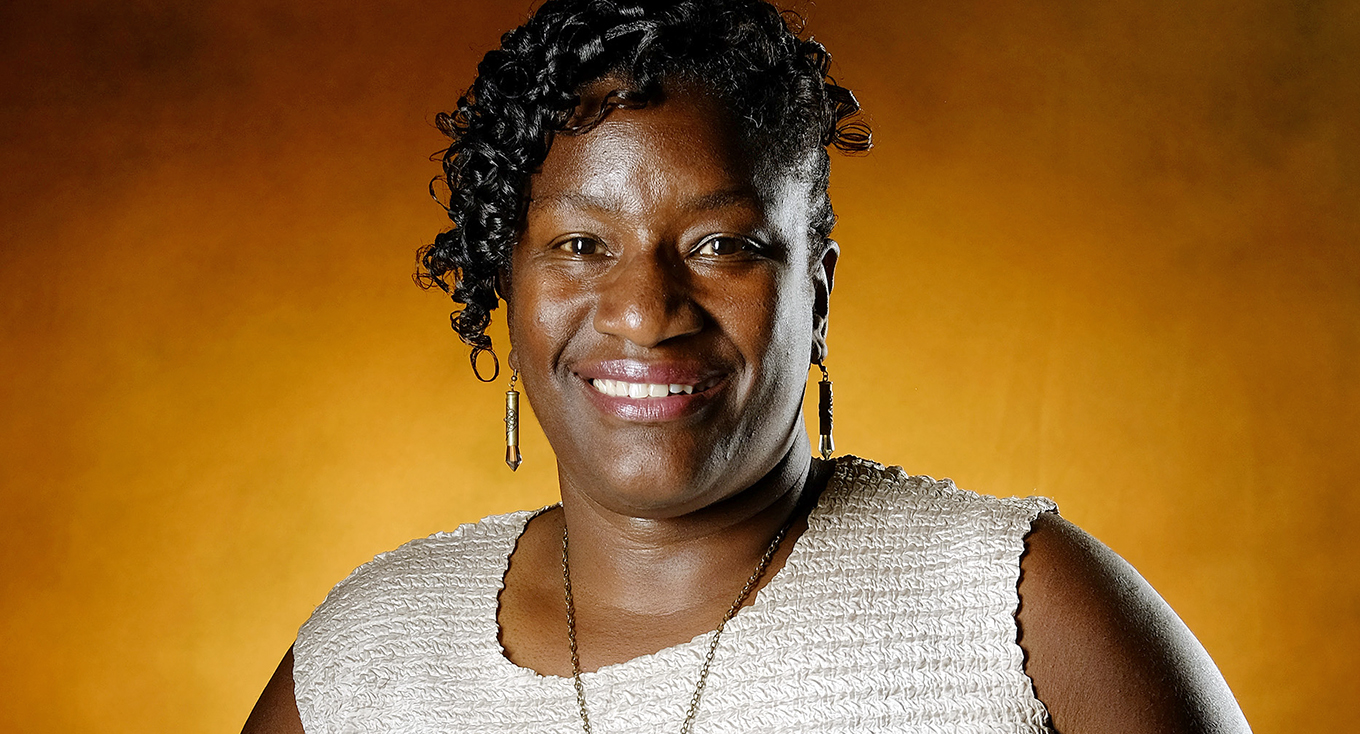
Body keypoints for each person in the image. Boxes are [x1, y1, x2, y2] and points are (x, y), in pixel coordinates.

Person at [243, 1, 1252, 732]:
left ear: (815, 289)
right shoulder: (362, 667)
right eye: (581, 244)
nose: (645, 311)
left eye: (722, 244)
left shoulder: (1018, 617)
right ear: (503, 282)